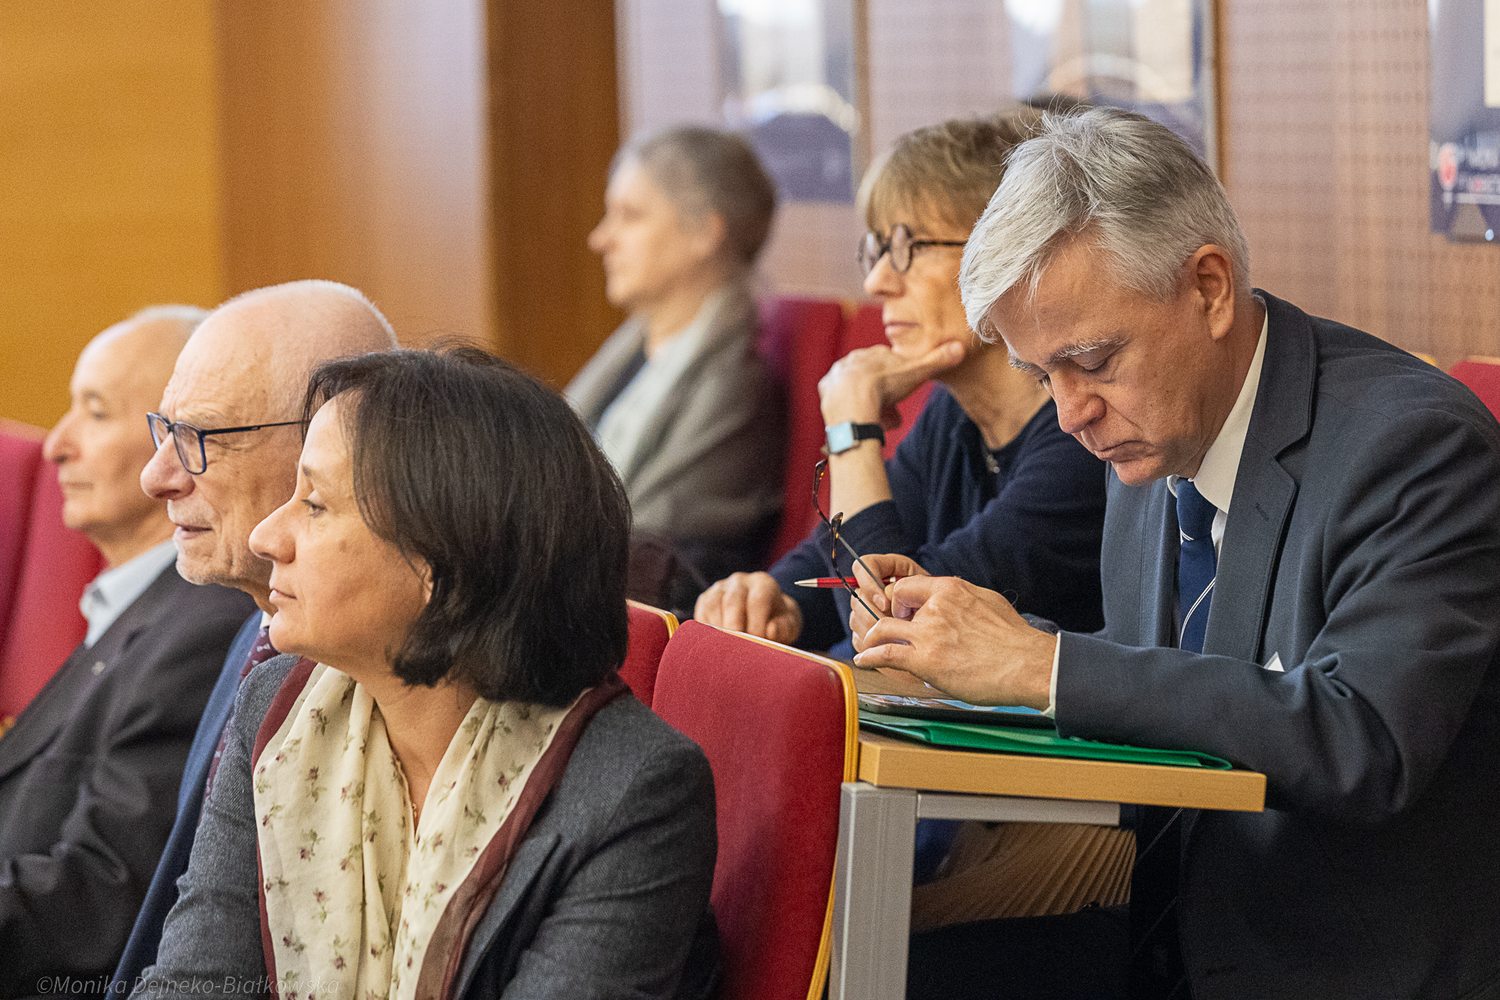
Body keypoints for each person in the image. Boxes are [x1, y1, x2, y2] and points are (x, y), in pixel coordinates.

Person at [851, 106, 1500, 999]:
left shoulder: (1416, 444)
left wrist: (1041, 665)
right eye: (1045, 377)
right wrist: (974, 647)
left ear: (1208, 287)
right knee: (869, 971)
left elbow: (1364, 740)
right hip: (1174, 934)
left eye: (1094, 360)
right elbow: (1163, 684)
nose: (1071, 414)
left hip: (1334, 961)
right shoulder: (1151, 440)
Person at [139, 347, 719, 999]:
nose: (267, 537)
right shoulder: (276, 709)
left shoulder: (634, 790)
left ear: (440, 565)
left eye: (317, 505)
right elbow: (194, 982)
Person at [695, 110, 1106, 658]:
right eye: (878, 249)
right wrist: (777, 597)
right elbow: (834, 570)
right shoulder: (953, 414)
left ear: (1007, 256)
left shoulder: (1083, 438)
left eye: (909, 248)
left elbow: (891, 623)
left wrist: (850, 432)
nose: (877, 281)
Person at [111, 280, 398, 990]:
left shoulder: (398, 689)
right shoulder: (257, 640)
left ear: (329, 450)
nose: (158, 477)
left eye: (200, 439)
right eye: (164, 430)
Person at [0, 308, 255, 996]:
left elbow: (100, 893)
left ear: (175, 442)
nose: (56, 444)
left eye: (96, 412)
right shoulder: (130, 613)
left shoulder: (201, 627)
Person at [568, 125, 783, 602]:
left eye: (630, 216)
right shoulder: (634, 350)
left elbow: (650, 553)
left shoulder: (735, 378)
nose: (600, 239)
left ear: (704, 232)